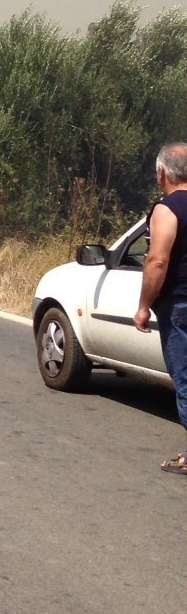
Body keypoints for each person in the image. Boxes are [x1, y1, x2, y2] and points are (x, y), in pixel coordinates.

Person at [136, 141, 187, 475]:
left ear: (161, 173)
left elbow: (157, 261)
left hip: (180, 306)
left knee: (185, 381)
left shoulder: (167, 209)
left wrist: (144, 305)